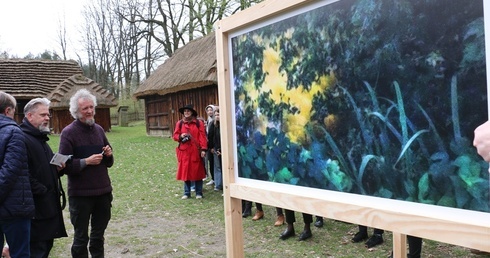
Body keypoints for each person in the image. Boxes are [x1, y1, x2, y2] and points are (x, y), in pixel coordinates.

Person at [58, 89, 114, 258]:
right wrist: (85, 162)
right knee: (81, 238)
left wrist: (109, 155)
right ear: (76, 111)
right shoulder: (68, 133)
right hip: (80, 195)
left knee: (98, 237)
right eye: (85, 108)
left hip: (103, 192)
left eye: (91, 107)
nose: (90, 111)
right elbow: (63, 166)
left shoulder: (99, 130)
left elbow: (109, 163)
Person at [20, 97, 68, 257]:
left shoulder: (41, 139)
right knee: (37, 252)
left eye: (48, 115)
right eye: (43, 115)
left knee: (45, 249)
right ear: (29, 116)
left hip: (47, 209)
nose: (47, 118)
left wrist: (58, 169)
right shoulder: (22, 139)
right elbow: (21, 174)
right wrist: (43, 190)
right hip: (36, 211)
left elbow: (42, 168)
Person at [0, 91, 35, 257]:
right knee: (20, 253)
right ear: (8, 111)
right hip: (14, 207)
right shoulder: (14, 132)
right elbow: (9, 172)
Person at [173, 104, 207, 199]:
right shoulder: (179, 123)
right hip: (184, 151)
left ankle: (199, 192)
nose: (186, 113)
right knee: (185, 171)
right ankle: (186, 192)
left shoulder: (198, 123)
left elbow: (202, 136)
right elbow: (175, 136)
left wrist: (203, 149)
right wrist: (181, 136)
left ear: (192, 112)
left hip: (195, 151)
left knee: (198, 171)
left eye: (188, 111)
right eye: (185, 111)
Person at [208, 107, 222, 191]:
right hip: (216, 148)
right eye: (216, 115)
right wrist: (211, 147)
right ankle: (218, 184)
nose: (217, 116)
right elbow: (210, 136)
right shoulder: (213, 124)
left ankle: (225, 184)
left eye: (218, 114)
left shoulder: (225, 124)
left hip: (224, 149)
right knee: (217, 167)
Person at [204, 104, 216, 186]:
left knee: (216, 163)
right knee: (210, 162)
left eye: (211, 110)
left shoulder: (216, 120)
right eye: (208, 110)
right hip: (208, 144)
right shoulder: (208, 121)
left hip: (214, 145)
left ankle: (218, 179)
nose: (209, 112)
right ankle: (213, 178)